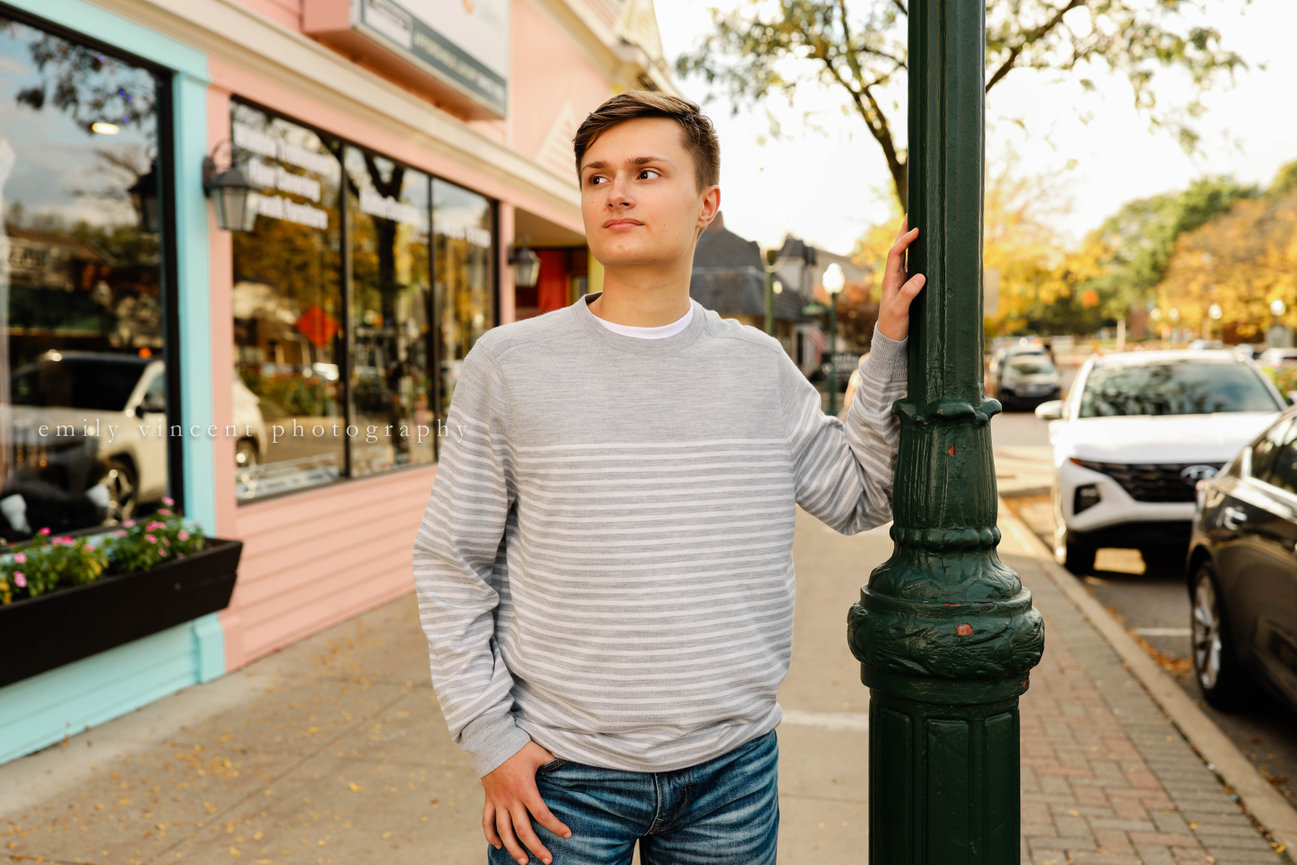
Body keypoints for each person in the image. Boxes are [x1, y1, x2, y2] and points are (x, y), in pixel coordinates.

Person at [412, 91, 925, 865]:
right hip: (560, 774)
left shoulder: (757, 367)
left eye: (645, 171)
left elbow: (860, 497)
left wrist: (887, 345)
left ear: (705, 204)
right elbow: (452, 561)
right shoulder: (508, 363)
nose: (615, 191)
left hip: (732, 772)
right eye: (596, 176)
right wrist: (489, 739)